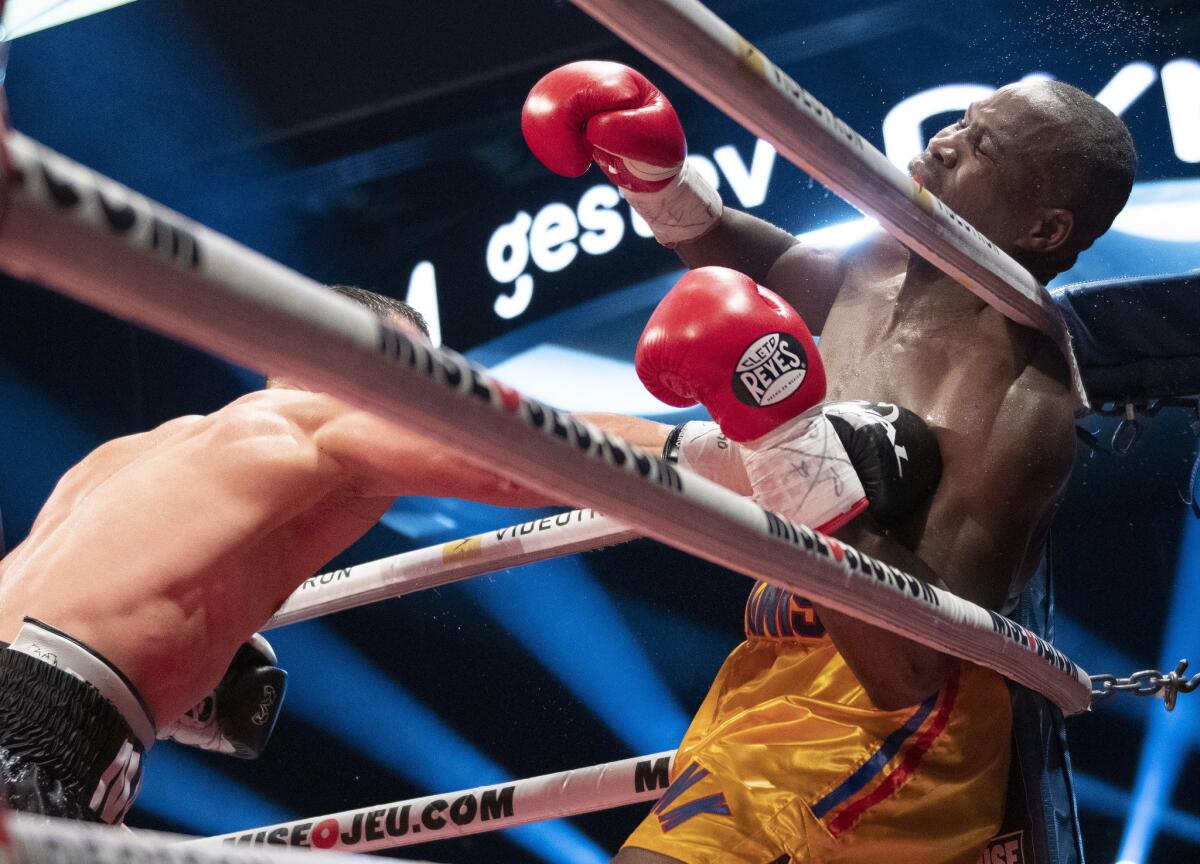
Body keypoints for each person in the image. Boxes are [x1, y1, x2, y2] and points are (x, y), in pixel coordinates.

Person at [521, 62, 1137, 863]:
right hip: (770, 671)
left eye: (981, 144)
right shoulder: (883, 261)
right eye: (961, 118)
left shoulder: (1022, 395)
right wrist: (659, 185)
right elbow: (769, 274)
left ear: (1045, 230)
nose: (944, 141)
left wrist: (786, 442)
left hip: (893, 725)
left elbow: (916, 668)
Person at [0, 285, 538, 824]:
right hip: (44, 733)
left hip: (56, 722)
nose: (424, 405)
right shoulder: (308, 428)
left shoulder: (124, 458)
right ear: (335, 354)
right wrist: (622, 459)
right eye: (411, 375)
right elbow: (512, 460)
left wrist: (187, 673)